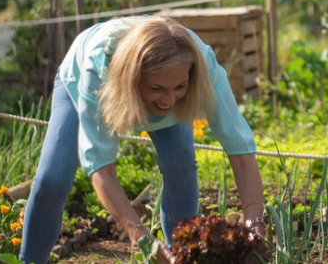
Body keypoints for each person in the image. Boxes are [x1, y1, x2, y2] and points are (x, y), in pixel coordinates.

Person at [20, 16, 265, 264]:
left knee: (180, 167)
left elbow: (240, 150)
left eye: (180, 86)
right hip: (84, 78)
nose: (169, 100)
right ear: (135, 78)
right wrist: (141, 236)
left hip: (156, 85)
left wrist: (254, 221)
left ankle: (178, 256)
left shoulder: (203, 66)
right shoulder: (98, 72)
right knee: (52, 180)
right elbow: (101, 169)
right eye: (158, 88)